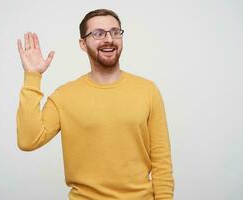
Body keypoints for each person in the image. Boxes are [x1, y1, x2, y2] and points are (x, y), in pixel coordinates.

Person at [16, 8, 174, 200]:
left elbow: (161, 163)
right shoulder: (64, 96)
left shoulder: (148, 91)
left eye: (115, 32)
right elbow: (28, 140)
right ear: (83, 44)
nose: (109, 39)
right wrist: (33, 76)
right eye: (99, 34)